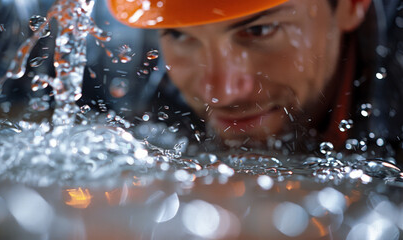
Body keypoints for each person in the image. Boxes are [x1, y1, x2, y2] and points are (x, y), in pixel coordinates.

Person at [108, 0, 403, 159]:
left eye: (260, 31)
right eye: (178, 34)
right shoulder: (108, 62)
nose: (221, 94)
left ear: (352, 4)